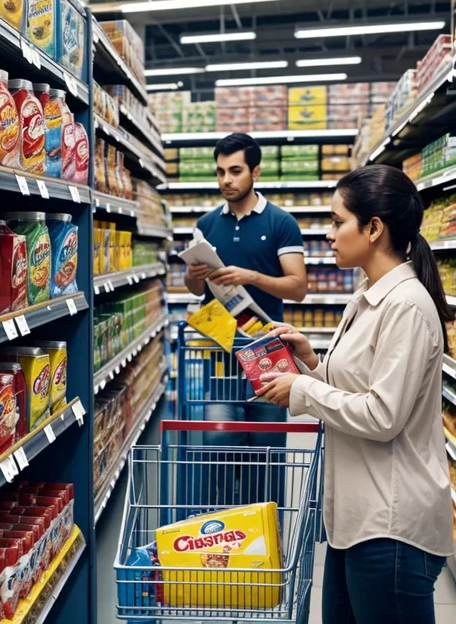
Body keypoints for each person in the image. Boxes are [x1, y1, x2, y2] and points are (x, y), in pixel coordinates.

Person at [257, 165, 454, 624]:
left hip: (392, 528)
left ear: (373, 228)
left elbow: (382, 415)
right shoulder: (367, 296)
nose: (329, 234)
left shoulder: (405, 305)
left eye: (337, 221)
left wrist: (302, 390)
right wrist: (311, 362)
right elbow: (360, 386)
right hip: (356, 520)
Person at [184, 132, 307, 503]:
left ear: (255, 171)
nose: (226, 180)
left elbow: (298, 287)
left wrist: (250, 277)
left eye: (235, 171)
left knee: (265, 447)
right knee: (218, 440)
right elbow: (193, 291)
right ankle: (225, 526)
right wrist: (194, 275)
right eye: (220, 171)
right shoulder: (206, 224)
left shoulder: (281, 222)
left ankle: (266, 532)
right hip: (220, 352)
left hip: (268, 354)